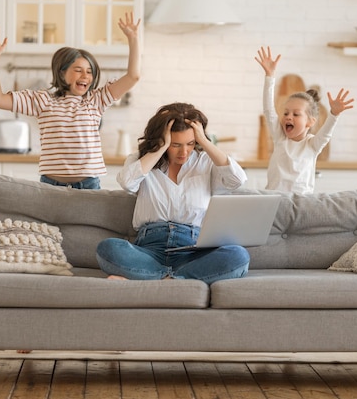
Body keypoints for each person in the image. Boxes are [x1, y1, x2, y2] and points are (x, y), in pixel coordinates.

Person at [0, 12, 141, 190]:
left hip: (88, 186)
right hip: (51, 186)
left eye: (89, 71)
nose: (85, 76)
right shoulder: (42, 100)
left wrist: (133, 39)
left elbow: (133, 76)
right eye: (78, 70)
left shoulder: (96, 100)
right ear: (62, 73)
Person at [95, 103, 250, 285]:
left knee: (238, 255)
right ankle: (179, 279)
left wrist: (205, 142)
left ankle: (157, 278)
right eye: (175, 144)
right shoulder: (142, 160)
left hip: (192, 251)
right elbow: (127, 183)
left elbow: (237, 180)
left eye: (190, 143)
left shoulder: (206, 162)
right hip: (150, 250)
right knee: (109, 249)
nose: (184, 152)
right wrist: (160, 147)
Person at [255, 46, 354, 195]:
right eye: (286, 112)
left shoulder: (312, 145)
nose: (289, 116)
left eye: (296, 114)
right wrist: (270, 76)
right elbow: (269, 110)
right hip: (273, 200)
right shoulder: (280, 138)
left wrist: (334, 114)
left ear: (310, 122)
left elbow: (326, 134)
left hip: (301, 204)